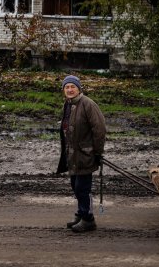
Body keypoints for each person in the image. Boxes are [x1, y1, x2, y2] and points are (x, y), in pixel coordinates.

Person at [56, 75, 106, 233]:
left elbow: (99, 129)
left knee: (82, 188)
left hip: (86, 154)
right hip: (73, 155)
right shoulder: (68, 104)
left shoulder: (88, 104)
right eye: (67, 87)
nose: (70, 90)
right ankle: (81, 213)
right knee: (75, 186)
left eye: (73, 87)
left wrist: (97, 152)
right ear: (64, 90)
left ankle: (88, 219)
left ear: (79, 88)